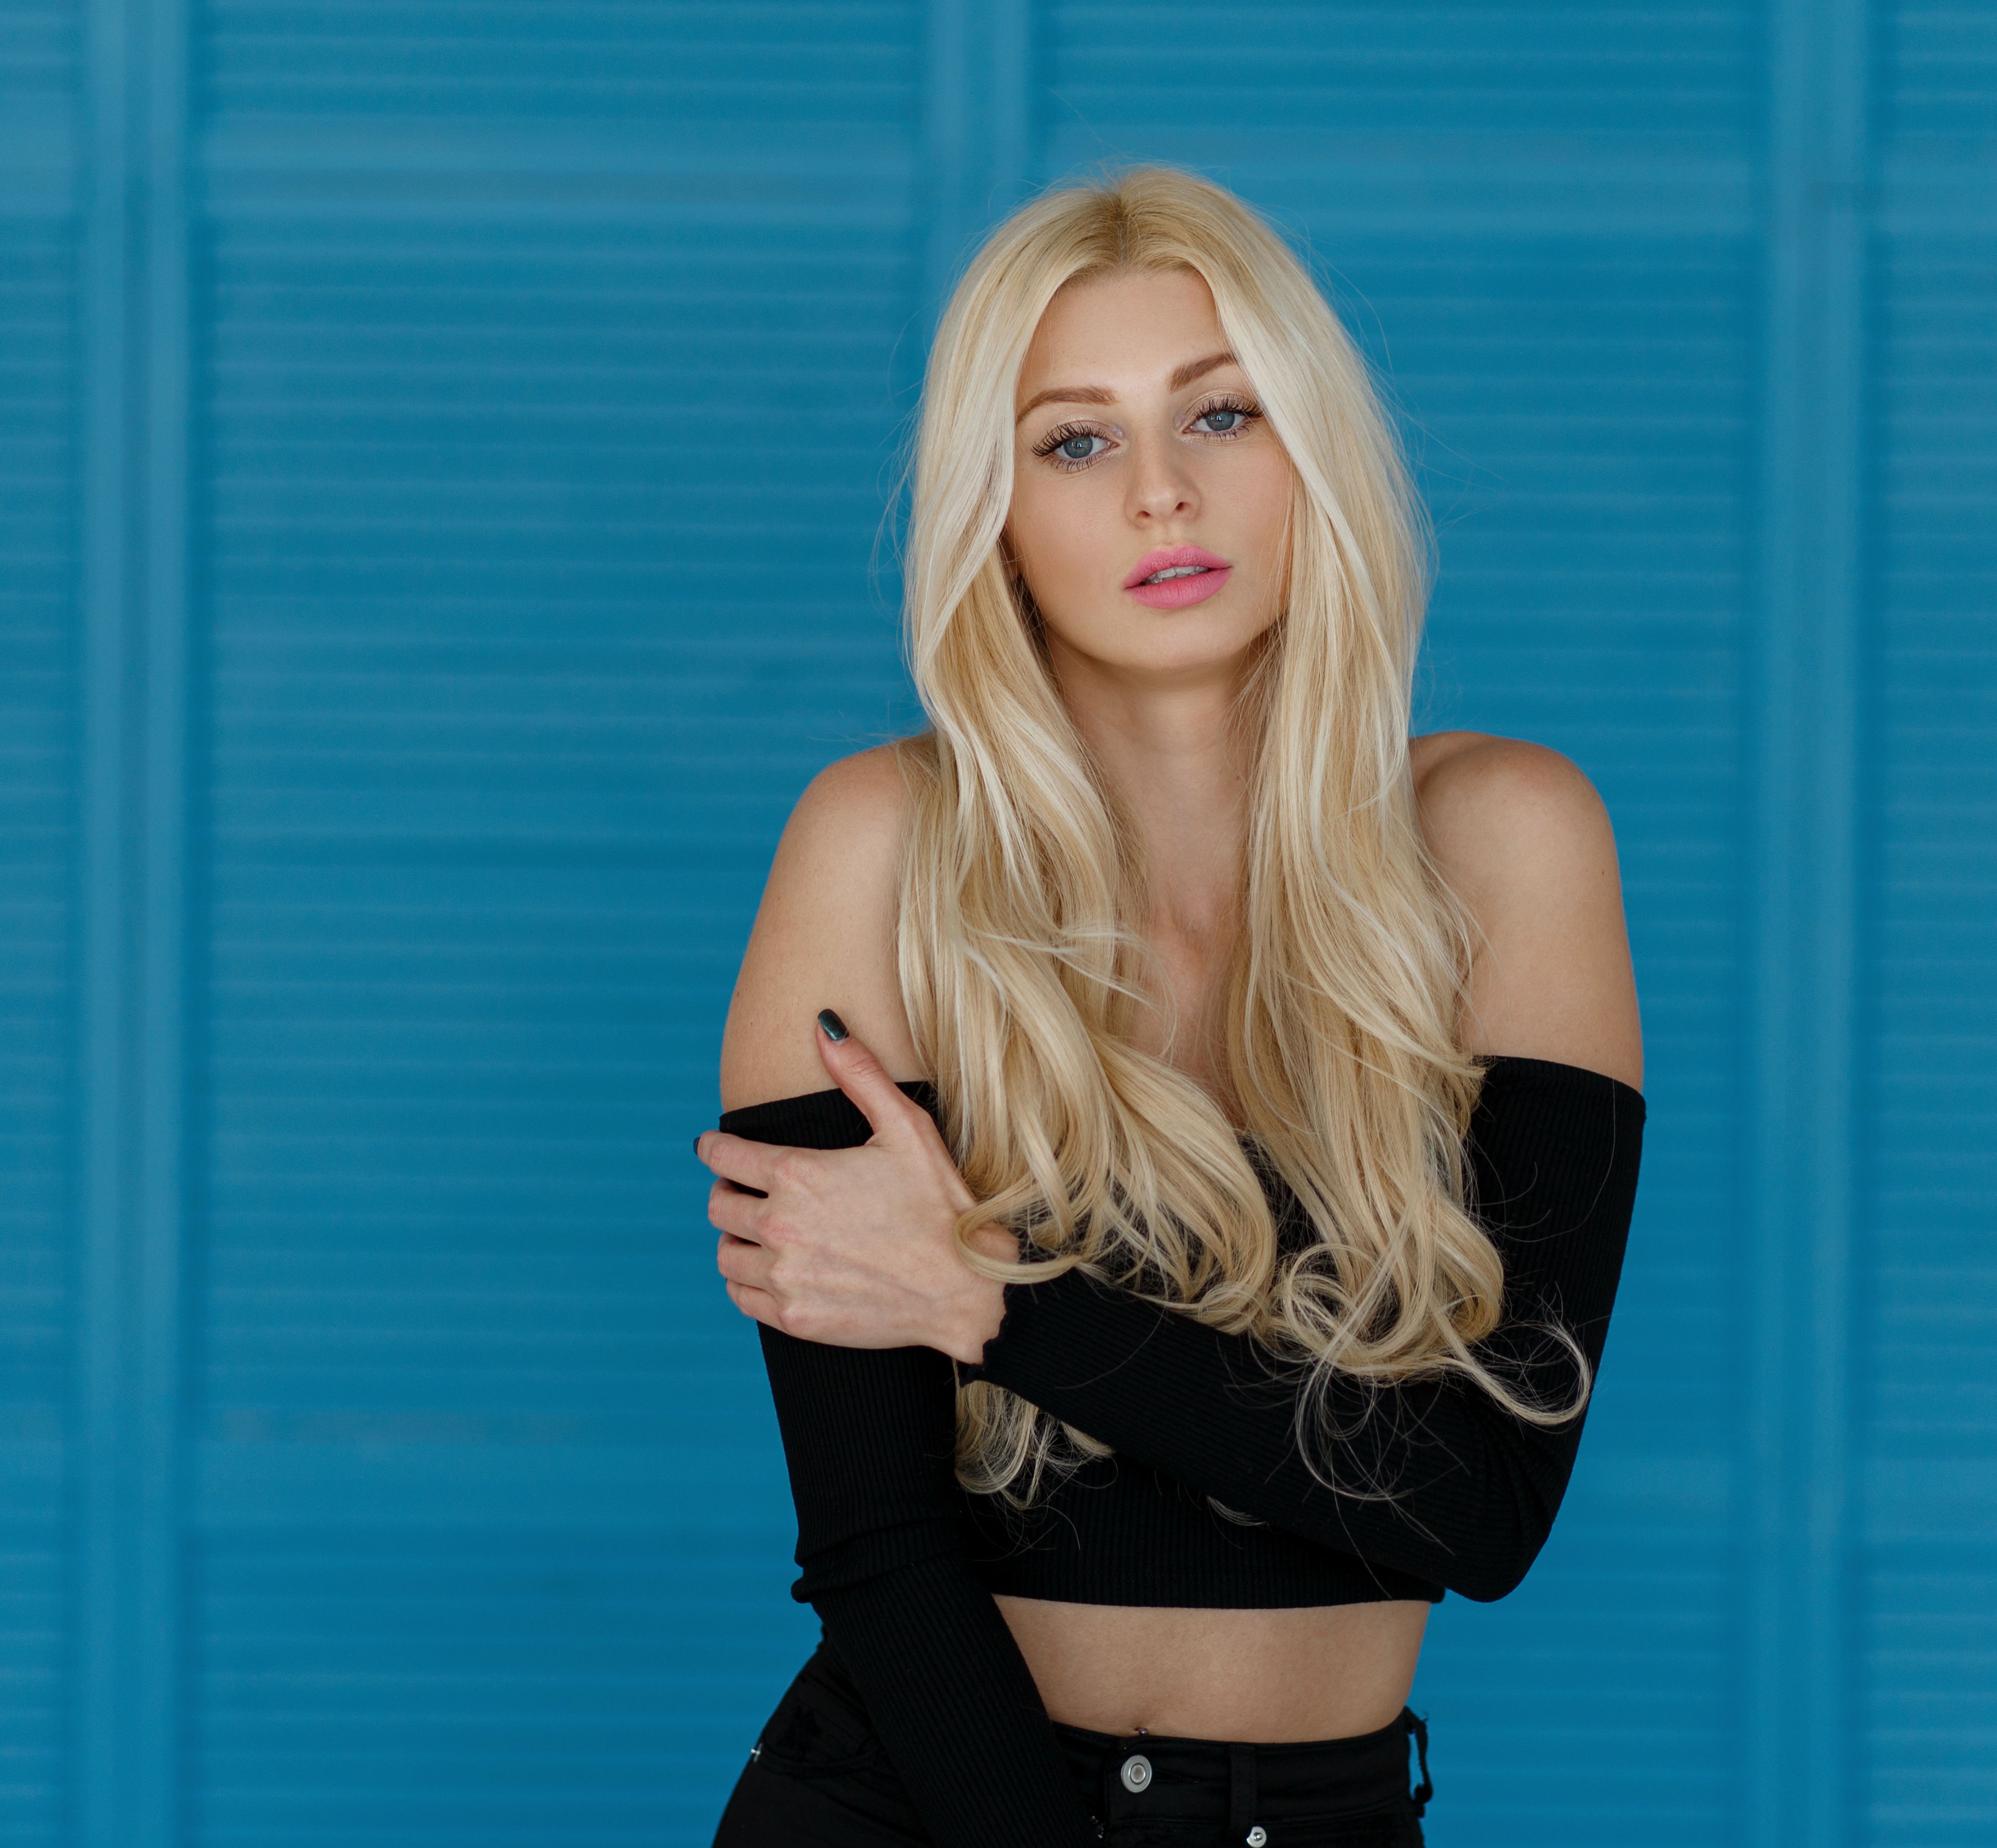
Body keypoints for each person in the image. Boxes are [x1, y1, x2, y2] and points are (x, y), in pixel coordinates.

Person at [690, 165, 1645, 1848]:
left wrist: (987, 1300)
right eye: (1076, 440)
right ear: (994, 508)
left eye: (1220, 414)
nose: (1160, 494)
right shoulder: (878, 851)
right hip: (923, 1812)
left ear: (1312, 451)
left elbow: (1483, 1503)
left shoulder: (1507, 842)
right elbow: (877, 1549)